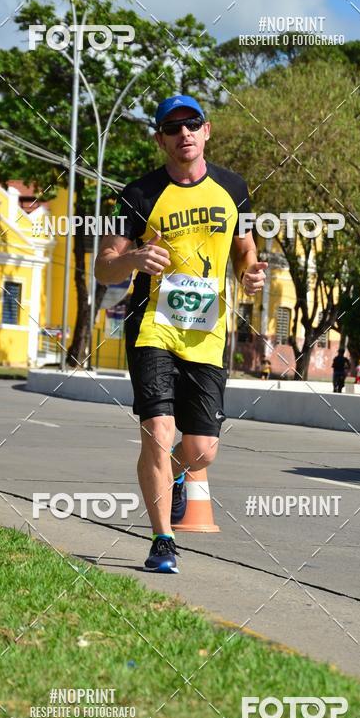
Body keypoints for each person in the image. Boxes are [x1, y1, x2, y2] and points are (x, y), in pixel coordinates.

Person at [95, 94, 267, 573]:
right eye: (173, 129)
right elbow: (102, 269)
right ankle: (162, 542)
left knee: (201, 449)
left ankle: (170, 478)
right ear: (160, 139)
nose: (183, 134)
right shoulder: (136, 194)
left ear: (206, 130)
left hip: (208, 333)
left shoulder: (234, 189)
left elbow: (244, 250)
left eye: (191, 124)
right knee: (157, 431)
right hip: (154, 327)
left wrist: (251, 275)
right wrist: (132, 259)